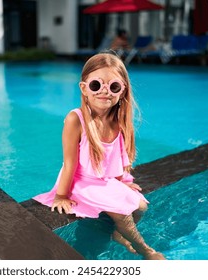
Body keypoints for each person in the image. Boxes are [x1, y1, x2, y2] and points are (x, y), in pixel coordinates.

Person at [33, 51, 165, 260]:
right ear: (84, 88)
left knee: (141, 206)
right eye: (96, 85)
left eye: (114, 86)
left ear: (122, 91)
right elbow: (69, 164)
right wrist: (61, 195)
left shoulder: (118, 121)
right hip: (81, 182)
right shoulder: (75, 119)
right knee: (122, 212)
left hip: (104, 181)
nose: (105, 92)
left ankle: (117, 234)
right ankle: (147, 252)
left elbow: (119, 156)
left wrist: (121, 181)